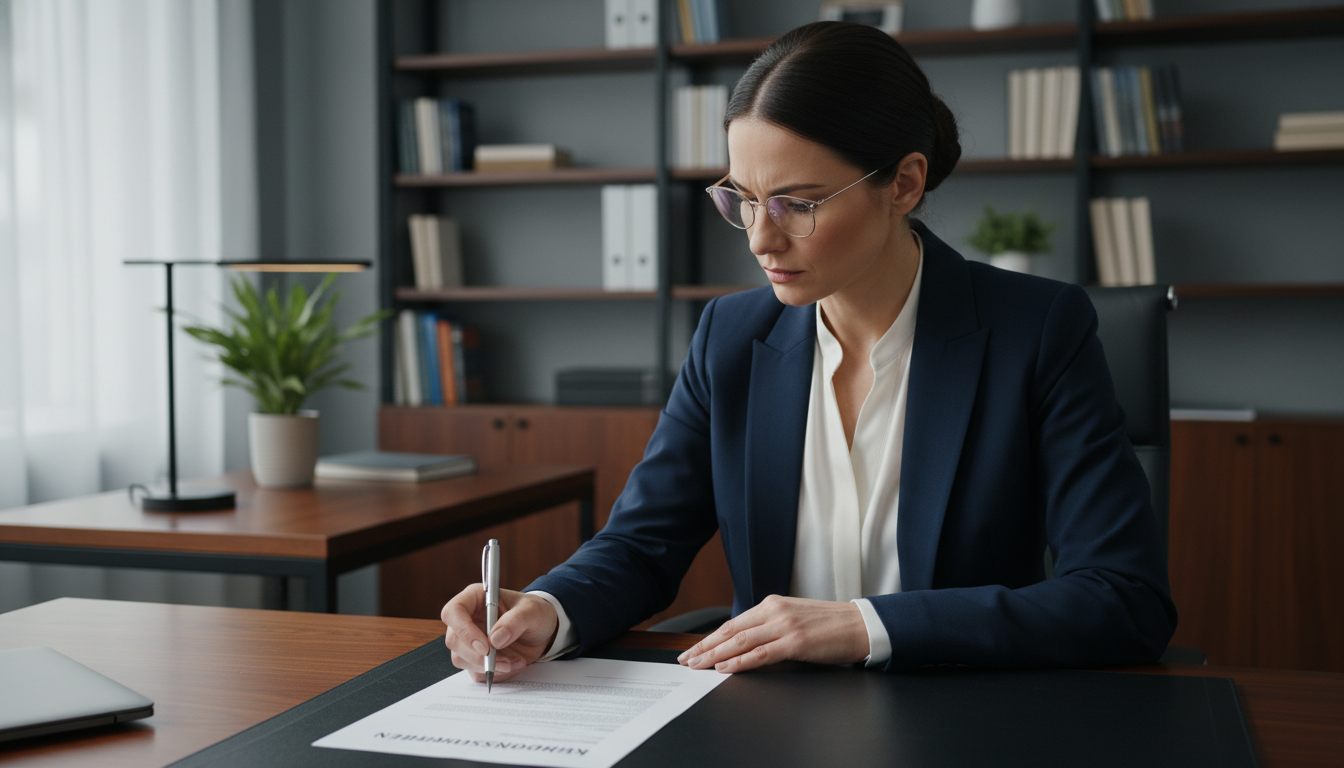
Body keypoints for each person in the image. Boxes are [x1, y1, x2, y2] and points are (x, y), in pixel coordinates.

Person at [441, 21, 1176, 681]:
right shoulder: (731, 337)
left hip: (960, 717)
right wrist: (546, 607)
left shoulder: (1037, 330)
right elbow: (641, 543)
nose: (761, 238)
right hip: (768, 726)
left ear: (904, 183)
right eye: (743, 199)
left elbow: (1122, 597)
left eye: (797, 202)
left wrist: (862, 626)